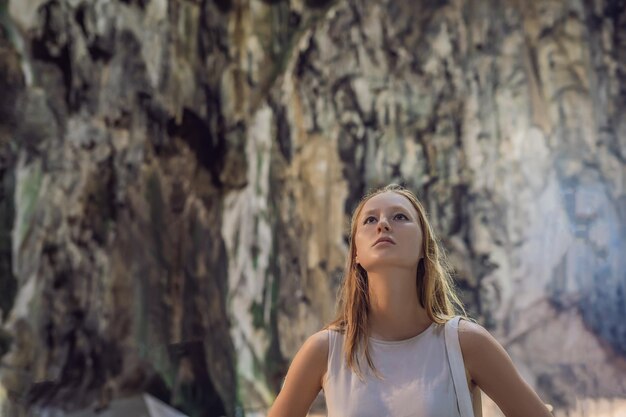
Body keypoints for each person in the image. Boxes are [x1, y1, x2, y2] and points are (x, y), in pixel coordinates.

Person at [268, 184, 554, 417]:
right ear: (356, 253)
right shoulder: (325, 350)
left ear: (422, 246)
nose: (383, 225)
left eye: (400, 217)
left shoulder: (465, 342)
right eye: (370, 219)